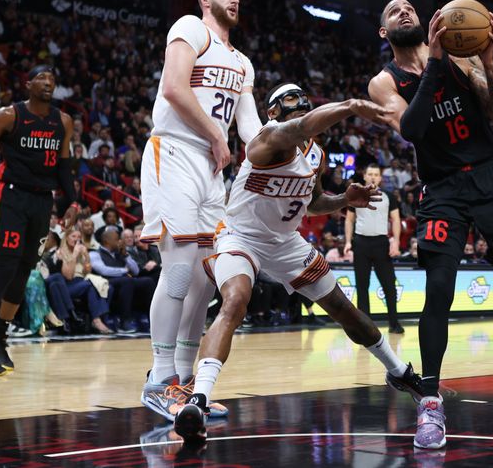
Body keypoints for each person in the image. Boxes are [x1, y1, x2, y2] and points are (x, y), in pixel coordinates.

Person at [172, 84, 423, 444]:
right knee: (236, 299)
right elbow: (302, 127)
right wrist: (351, 104)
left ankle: (398, 370)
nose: (300, 103)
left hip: (286, 243)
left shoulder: (316, 155)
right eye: (290, 100)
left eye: (303, 99)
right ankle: (199, 400)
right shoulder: (267, 138)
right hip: (241, 236)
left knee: (344, 310)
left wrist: (343, 200)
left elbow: (313, 202)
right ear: (272, 111)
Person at [368, 0, 493, 447]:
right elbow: (413, 128)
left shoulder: (465, 58)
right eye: (391, 10)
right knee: (438, 290)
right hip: (441, 191)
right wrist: (434, 64)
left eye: (408, 7)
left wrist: (489, 63)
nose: (402, 10)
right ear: (383, 32)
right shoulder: (384, 83)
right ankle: (431, 401)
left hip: (492, 178)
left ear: (425, 20)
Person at [139, 0, 264, 420]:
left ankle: (184, 380)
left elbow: (248, 129)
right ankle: (158, 381)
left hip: (213, 167)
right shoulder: (190, 27)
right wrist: (216, 134)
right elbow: (173, 88)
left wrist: (288, 143)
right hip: (174, 152)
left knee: (205, 278)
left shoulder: (244, 63)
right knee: (175, 272)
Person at [0, 65, 78, 376]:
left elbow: (64, 166)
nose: (48, 82)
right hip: (10, 196)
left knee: (24, 271)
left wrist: (72, 201)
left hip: (42, 201)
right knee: (7, 267)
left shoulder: (62, 121)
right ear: (27, 84)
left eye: (52, 78)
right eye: (41, 78)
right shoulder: (8, 115)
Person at [344, 163, 404, 334]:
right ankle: (365, 326)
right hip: (361, 243)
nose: (372, 177)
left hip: (381, 244)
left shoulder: (389, 196)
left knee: (389, 286)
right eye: (369, 174)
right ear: (364, 176)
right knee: (362, 286)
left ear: (380, 177)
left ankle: (394, 323)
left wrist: (396, 242)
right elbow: (349, 220)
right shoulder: (355, 195)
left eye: (376, 174)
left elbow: (396, 220)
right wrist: (348, 241)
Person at [45, 226, 112, 334]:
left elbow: (87, 271)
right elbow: (69, 276)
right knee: (91, 285)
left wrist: (85, 255)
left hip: (82, 282)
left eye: (79, 237)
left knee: (101, 286)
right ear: (66, 238)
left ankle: (98, 320)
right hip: (67, 285)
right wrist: (75, 255)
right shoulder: (61, 252)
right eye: (73, 236)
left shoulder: (82, 251)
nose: (76, 239)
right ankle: (97, 321)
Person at [90, 227, 155, 332]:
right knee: (127, 281)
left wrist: (125, 255)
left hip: (124, 282)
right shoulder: (95, 253)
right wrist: (124, 270)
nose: (120, 241)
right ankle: (125, 322)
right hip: (106, 282)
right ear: (107, 241)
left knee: (148, 281)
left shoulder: (120, 253)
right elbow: (103, 270)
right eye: (117, 239)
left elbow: (136, 271)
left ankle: (152, 319)